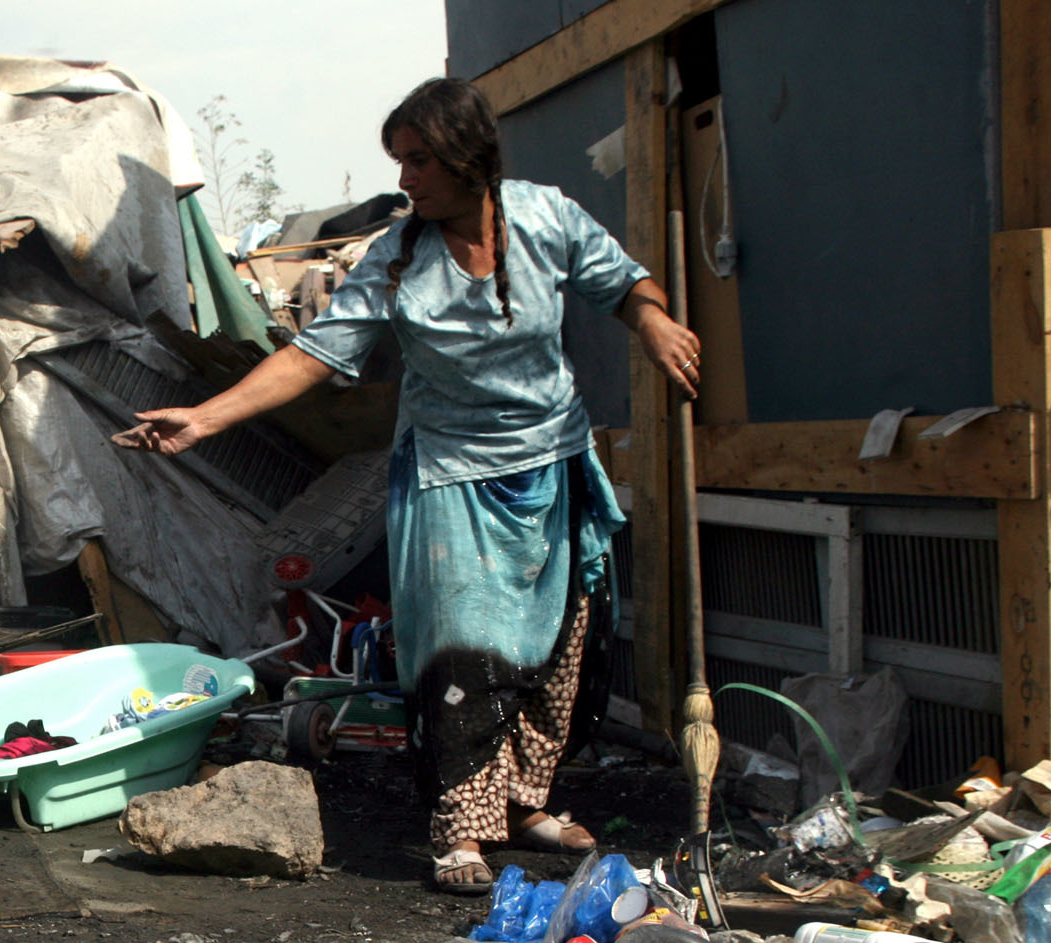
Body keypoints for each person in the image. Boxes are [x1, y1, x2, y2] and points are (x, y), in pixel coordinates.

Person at [116, 77, 700, 891]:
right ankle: (462, 826)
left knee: (557, 651)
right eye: (400, 161)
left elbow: (622, 280)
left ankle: (524, 804)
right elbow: (313, 355)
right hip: (451, 478)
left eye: (420, 160)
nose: (406, 179)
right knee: (461, 651)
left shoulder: (545, 216)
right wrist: (208, 419)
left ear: (469, 156)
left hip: (550, 463)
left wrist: (655, 320)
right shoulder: (397, 258)